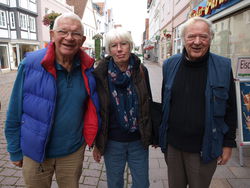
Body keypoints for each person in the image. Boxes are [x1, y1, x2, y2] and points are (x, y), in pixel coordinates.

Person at [5, 12, 100, 188]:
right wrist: (14, 150)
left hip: (72, 151)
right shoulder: (31, 64)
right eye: (63, 31)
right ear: (52, 35)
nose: (69, 38)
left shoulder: (88, 69)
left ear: (83, 39)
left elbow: (95, 107)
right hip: (36, 152)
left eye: (76, 33)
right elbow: (14, 110)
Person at [159, 16, 237, 188]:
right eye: (191, 36)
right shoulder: (170, 65)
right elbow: (166, 101)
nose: (197, 42)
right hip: (173, 146)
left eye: (203, 36)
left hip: (205, 147)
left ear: (210, 39)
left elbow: (231, 108)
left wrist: (228, 143)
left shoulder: (223, 66)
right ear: (183, 39)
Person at [92, 28, 155, 188]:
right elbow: (97, 110)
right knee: (115, 183)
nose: (119, 49)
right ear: (109, 50)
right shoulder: (100, 73)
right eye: (114, 45)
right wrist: (97, 143)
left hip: (138, 141)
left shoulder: (141, 70)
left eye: (123, 44)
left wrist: (152, 134)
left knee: (142, 184)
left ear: (130, 46)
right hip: (113, 142)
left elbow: (147, 103)